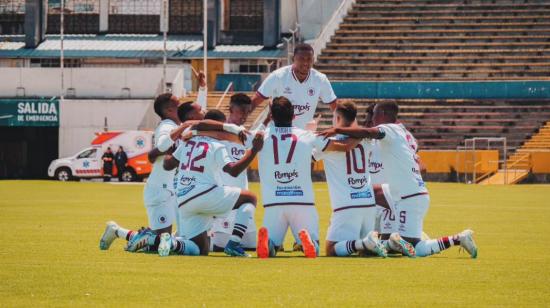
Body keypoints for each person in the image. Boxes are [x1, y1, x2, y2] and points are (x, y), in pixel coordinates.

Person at [318, 101, 478, 258]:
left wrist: (337, 129)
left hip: (407, 196)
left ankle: (392, 241)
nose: (371, 119)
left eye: (374, 115)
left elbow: (368, 133)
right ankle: (456, 239)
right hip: (413, 193)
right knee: (406, 245)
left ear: (382, 114)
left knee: (413, 247)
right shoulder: (403, 132)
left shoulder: (389, 130)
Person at [255, 97, 364, 259]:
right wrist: (363, 134)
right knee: (316, 247)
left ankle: (269, 244)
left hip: (273, 203)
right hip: (302, 202)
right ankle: (308, 243)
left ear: (272, 116)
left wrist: (264, 123)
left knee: (273, 245)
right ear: (294, 116)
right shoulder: (307, 135)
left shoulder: (259, 136)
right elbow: (345, 147)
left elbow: (235, 137)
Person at [314, 101, 413, 257]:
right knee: (365, 252)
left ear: (338, 118)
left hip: (346, 205)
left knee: (331, 249)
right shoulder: (366, 139)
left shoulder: (325, 141)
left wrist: (310, 132)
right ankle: (388, 243)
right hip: (368, 204)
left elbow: (308, 159)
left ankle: (366, 242)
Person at [158, 124, 265, 257]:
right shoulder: (217, 145)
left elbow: (167, 165)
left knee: (200, 249)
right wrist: (254, 150)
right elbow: (233, 170)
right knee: (250, 197)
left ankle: (173, 244)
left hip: (184, 200)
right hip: (203, 194)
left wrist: (170, 151)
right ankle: (234, 244)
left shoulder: (187, 142)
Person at [207, 95, 259, 252]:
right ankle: (178, 239)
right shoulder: (216, 133)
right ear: (230, 110)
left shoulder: (246, 135)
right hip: (224, 199)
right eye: (241, 111)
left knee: (251, 245)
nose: (244, 115)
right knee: (217, 247)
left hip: (241, 200)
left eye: (248, 112)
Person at [251, 43, 337, 130]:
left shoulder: (320, 79)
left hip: (303, 136)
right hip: (278, 132)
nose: (305, 63)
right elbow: (255, 101)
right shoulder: (278, 76)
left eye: (309, 59)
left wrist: (339, 130)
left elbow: (336, 108)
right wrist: (238, 125)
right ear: (293, 59)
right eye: (301, 59)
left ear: (313, 60)